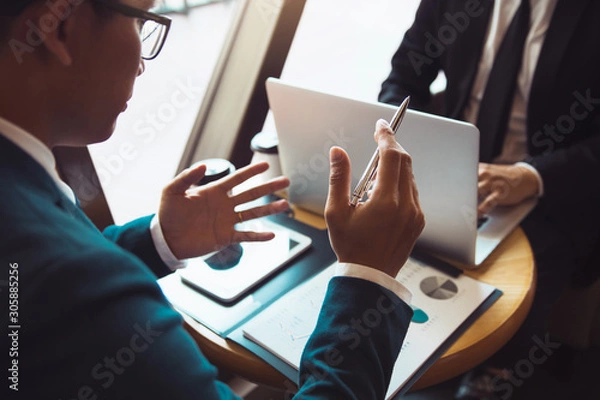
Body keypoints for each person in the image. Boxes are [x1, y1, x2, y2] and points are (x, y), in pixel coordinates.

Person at [0, 0, 425, 399]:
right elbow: (64, 287)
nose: (143, 63)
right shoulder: (75, 285)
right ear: (59, 27)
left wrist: (156, 238)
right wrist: (368, 277)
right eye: (140, 19)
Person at [379, 0, 600, 398]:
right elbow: (403, 79)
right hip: (452, 173)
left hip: (549, 195)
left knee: (507, 310)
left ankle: (493, 376)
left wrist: (531, 176)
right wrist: (400, 141)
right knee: (384, 275)